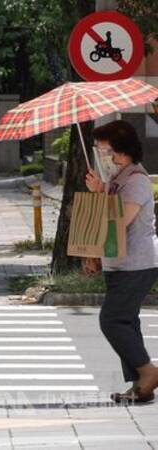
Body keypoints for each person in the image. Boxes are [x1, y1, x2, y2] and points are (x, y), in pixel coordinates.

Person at [84, 120, 158, 403]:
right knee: (127, 321)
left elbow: (118, 222)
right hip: (121, 263)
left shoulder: (136, 180)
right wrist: (102, 190)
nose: (103, 157)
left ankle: (148, 372)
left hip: (137, 263)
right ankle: (142, 386)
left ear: (122, 150)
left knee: (112, 319)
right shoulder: (119, 180)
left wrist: (102, 195)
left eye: (105, 151)